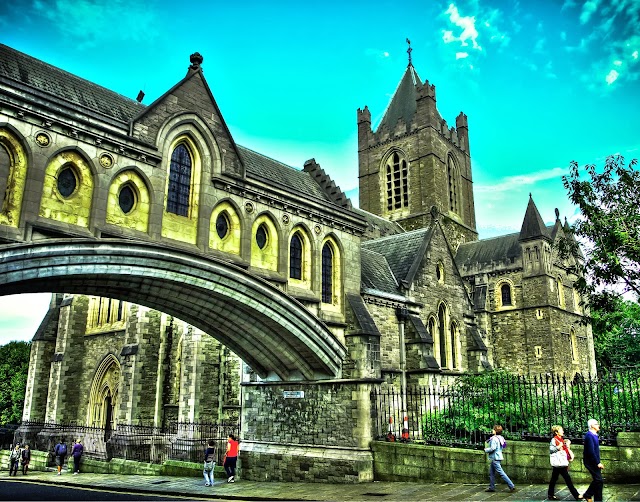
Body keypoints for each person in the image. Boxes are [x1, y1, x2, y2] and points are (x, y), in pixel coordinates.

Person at [547, 425, 580, 500]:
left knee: (554, 479)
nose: (563, 431)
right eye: (561, 430)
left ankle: (550, 494)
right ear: (556, 432)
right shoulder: (554, 440)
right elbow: (551, 450)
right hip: (559, 463)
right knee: (568, 480)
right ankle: (576, 495)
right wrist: (559, 446)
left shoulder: (561, 439)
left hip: (560, 464)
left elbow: (564, 450)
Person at [484, 424, 516, 493]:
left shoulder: (494, 439)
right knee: (492, 473)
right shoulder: (501, 438)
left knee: (501, 473)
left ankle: (511, 485)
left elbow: (493, 448)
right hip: (498, 456)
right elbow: (504, 445)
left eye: (493, 429)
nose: (492, 430)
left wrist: (486, 450)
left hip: (495, 458)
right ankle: (491, 487)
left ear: (495, 431)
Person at [581, 419, 604, 502]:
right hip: (591, 462)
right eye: (596, 424)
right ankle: (588, 495)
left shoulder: (594, 435)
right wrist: (597, 463)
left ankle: (595, 498)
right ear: (592, 426)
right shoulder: (589, 436)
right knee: (599, 480)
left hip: (594, 461)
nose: (598, 425)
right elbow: (591, 451)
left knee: (598, 481)